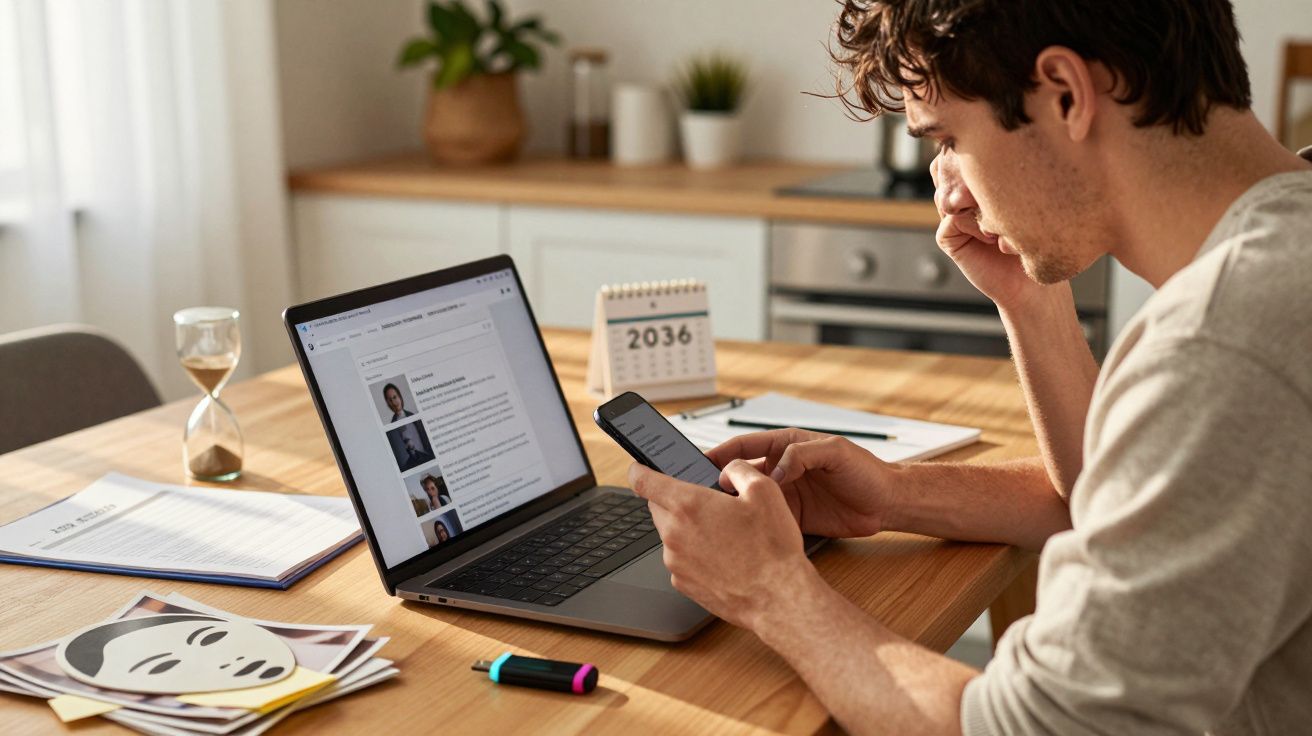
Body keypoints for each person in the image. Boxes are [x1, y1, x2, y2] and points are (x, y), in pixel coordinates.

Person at [627, 2, 1312, 735]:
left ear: (1066, 95)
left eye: (950, 138)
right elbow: (1131, 504)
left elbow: (1036, 729)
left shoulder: (1224, 342)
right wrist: (893, 492)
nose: (948, 190)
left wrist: (773, 592)